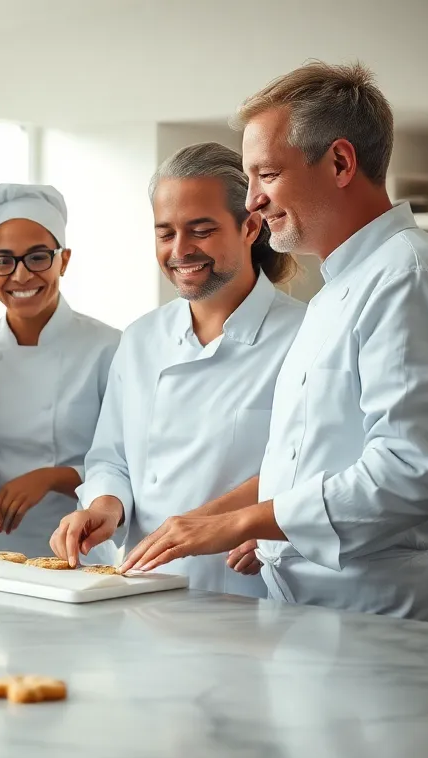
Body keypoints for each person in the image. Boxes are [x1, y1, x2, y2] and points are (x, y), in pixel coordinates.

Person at [119, 63, 428, 623]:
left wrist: (246, 521)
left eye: (266, 174)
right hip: (307, 607)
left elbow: (415, 468)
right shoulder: (339, 286)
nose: (252, 202)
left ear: (340, 162)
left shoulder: (407, 274)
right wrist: (267, 531)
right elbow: (311, 457)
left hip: (376, 612)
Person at [51, 142, 304, 597]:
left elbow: (310, 468)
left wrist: (214, 522)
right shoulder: (141, 338)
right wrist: (106, 507)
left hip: (247, 587)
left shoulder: (304, 336)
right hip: (138, 585)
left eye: (201, 230)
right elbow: (111, 457)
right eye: (165, 233)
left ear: (249, 226)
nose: (180, 250)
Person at [0, 183, 120, 557]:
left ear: (64, 259)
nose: (21, 275)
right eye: (3, 260)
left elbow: (125, 459)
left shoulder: (108, 348)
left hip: (79, 546)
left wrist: (50, 478)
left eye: (38, 257)